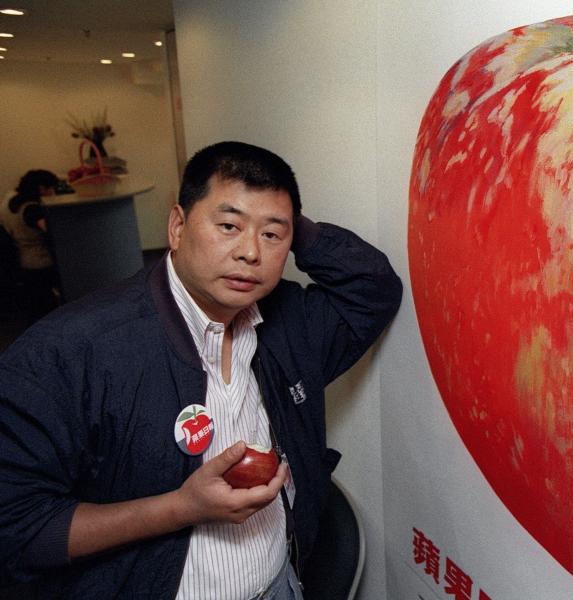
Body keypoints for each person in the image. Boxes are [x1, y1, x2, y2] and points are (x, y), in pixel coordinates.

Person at [0, 142, 402, 599]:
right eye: (228, 226)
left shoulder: (288, 324)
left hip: (279, 583)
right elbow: (18, 525)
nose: (250, 252)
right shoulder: (73, 350)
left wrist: (285, 220)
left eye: (271, 237)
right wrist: (180, 508)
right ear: (177, 225)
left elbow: (373, 290)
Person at [0, 169, 61, 319]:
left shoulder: (11, 201)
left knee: (36, 304)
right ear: (41, 188)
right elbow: (51, 231)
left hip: (23, 259)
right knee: (46, 305)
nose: (53, 192)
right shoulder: (32, 209)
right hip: (40, 261)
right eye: (51, 188)